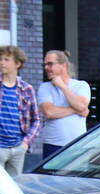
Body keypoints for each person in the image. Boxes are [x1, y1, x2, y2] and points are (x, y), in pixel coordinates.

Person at [38, 50, 90, 157]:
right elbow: (49, 112)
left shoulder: (81, 85)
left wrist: (62, 86)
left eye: (50, 64)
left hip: (78, 145)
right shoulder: (44, 87)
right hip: (52, 145)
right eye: (45, 64)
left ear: (63, 65)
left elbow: (81, 105)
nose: (46, 68)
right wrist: (76, 110)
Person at [0, 45, 41, 176]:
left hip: (18, 147)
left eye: (6, 59)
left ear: (17, 63)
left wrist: (26, 142)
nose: (2, 62)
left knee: (14, 188)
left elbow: (37, 119)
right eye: (0, 59)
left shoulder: (26, 89)